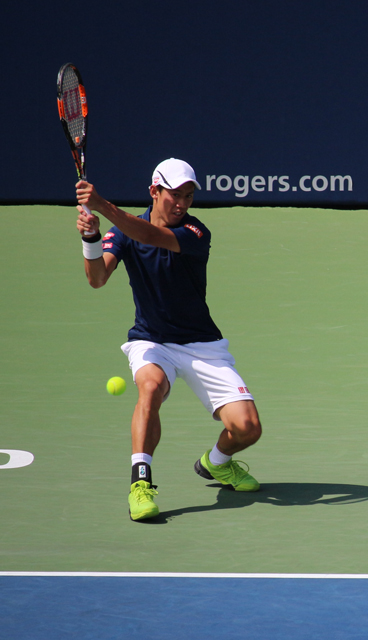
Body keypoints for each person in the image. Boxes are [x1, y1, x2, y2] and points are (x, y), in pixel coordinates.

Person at [75, 158, 262, 521]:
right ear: (154, 191)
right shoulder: (124, 231)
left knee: (248, 428)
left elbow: (149, 236)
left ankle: (216, 462)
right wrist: (90, 238)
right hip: (151, 340)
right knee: (150, 387)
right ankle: (140, 483)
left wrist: (103, 206)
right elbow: (97, 279)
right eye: (175, 195)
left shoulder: (195, 232)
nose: (181, 203)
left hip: (202, 345)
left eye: (188, 196)